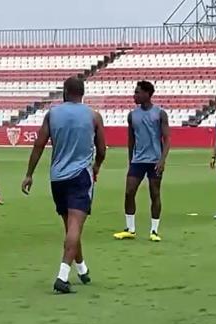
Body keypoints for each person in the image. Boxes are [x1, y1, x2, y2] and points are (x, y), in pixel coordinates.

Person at [21, 77, 106, 294]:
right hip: (80, 175)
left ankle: (82, 269)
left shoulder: (52, 114)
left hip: (57, 178)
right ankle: (62, 276)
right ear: (82, 92)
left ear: (66, 92)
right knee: (75, 227)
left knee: (70, 226)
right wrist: (96, 166)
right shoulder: (94, 116)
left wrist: (29, 174)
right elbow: (102, 149)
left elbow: (39, 144)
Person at [113, 81, 170, 242]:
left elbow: (167, 139)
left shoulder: (160, 113)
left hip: (155, 160)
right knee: (129, 192)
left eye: (137, 92)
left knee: (155, 194)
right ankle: (130, 229)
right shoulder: (132, 115)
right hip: (138, 160)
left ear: (147, 94)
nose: (134, 95)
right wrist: (130, 160)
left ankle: (154, 230)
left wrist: (162, 160)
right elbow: (131, 140)